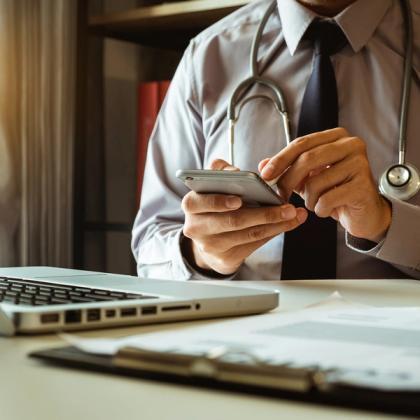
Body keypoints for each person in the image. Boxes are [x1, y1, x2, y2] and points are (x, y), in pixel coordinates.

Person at [132, 0, 420, 280]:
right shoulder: (208, 55)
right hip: (238, 324)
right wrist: (199, 254)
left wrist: (386, 223)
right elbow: (150, 248)